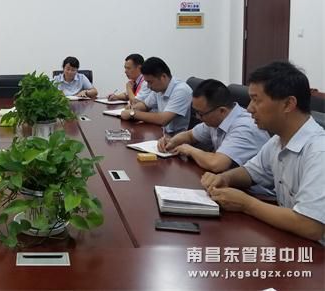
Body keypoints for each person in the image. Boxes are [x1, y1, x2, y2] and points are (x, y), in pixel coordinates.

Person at [201, 61, 325, 244]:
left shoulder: (319, 151)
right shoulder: (278, 140)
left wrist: (246, 204)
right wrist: (224, 178)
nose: (249, 108)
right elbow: (250, 172)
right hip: (290, 241)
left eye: (256, 100)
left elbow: (310, 225)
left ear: (288, 104)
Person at [158, 79, 271, 175]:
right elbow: (190, 135)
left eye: (201, 114)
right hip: (228, 181)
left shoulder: (245, 127)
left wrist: (189, 150)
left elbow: (216, 164)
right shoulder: (217, 119)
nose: (197, 117)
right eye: (196, 112)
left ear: (221, 111)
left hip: (254, 191)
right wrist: (171, 142)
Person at [121, 57, 191, 136]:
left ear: (163, 77)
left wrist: (133, 113)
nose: (148, 86)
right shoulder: (159, 88)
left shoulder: (181, 90)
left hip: (177, 138)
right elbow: (145, 105)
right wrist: (132, 108)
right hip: (162, 133)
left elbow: (163, 119)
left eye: (150, 82)